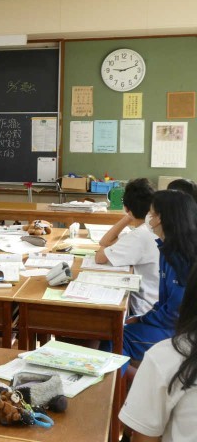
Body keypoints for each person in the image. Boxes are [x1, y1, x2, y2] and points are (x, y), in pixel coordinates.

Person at [119, 264, 197, 441]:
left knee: (116, 339)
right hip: (161, 326)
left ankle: (113, 411)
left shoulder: (170, 357)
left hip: (165, 330)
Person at [120, 190, 197, 362]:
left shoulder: (183, 257)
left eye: (151, 213)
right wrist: (141, 319)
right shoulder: (168, 248)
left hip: (183, 333)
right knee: (117, 330)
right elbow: (164, 301)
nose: (149, 218)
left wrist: (144, 320)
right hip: (174, 325)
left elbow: (174, 313)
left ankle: (129, 379)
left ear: (160, 218)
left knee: (117, 338)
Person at [95, 178, 159, 315]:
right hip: (158, 300)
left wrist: (128, 215)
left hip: (145, 308)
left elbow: (100, 256)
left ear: (126, 208)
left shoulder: (139, 235)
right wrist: (129, 215)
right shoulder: (152, 228)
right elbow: (105, 242)